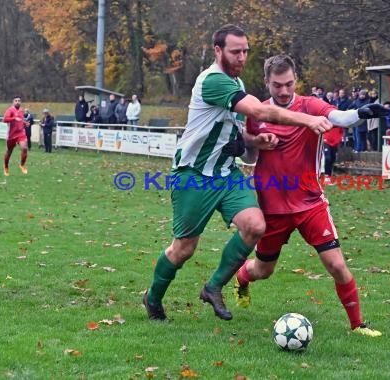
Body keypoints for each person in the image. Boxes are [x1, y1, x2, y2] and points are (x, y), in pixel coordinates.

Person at [142, 24, 334, 322]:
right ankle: (152, 298)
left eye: (245, 50)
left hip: (226, 174)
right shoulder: (213, 81)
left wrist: (256, 142)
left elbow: (234, 135)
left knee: (256, 226)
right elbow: (259, 112)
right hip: (194, 176)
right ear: (218, 51)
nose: (242, 57)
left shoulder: (236, 82)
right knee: (183, 249)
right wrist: (308, 119)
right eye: (235, 51)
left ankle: (214, 286)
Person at [233, 54, 387, 337]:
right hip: (272, 207)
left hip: (309, 204)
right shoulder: (257, 112)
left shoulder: (310, 105)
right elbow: (249, 155)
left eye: (289, 84)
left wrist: (360, 114)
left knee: (337, 264)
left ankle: (357, 325)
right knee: (263, 271)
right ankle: (242, 277)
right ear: (267, 82)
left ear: (295, 81)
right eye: (277, 85)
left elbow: (337, 117)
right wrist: (255, 143)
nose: (284, 91)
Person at [2, 95, 29, 176]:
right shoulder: (10, 110)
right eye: (16, 100)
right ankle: (6, 167)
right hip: (12, 135)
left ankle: (22, 165)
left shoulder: (21, 110)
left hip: (21, 133)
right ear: (13, 102)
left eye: (19, 100)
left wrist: (25, 123)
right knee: (9, 152)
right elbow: (4, 119)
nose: (17, 102)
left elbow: (20, 119)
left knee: (24, 148)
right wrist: (13, 118)